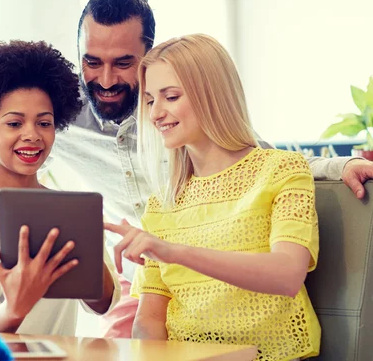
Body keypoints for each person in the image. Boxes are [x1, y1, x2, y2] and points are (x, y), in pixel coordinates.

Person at [0, 0, 373, 338]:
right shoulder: (59, 112)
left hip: (168, 276)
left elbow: (251, 155)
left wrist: (339, 164)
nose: (106, 79)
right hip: (142, 281)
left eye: (124, 64)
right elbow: (7, 149)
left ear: (149, 54)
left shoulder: (178, 120)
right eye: (92, 62)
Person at [106, 34, 319, 360]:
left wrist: (173, 252)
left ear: (212, 95)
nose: (156, 114)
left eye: (171, 96)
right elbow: (149, 320)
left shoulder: (282, 170)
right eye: (150, 100)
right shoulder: (161, 206)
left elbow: (287, 274)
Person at [0, 40, 120, 335]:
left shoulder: (70, 209)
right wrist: (14, 307)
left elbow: (103, 303)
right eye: (14, 124)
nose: (32, 135)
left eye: (44, 123)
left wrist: (85, 241)